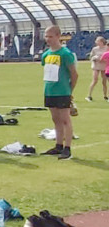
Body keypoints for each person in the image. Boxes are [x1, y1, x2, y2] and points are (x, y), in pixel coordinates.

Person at [40, 26, 78, 160]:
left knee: (65, 119)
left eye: (50, 36)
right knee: (55, 119)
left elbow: (74, 74)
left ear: (58, 36)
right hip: (50, 90)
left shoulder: (65, 53)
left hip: (62, 91)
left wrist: (69, 90)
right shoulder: (45, 54)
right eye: (46, 36)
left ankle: (67, 148)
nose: (48, 39)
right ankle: (58, 145)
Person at [86, 36, 108, 102]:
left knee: (104, 82)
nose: (96, 42)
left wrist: (102, 60)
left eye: (97, 41)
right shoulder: (95, 49)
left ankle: (105, 96)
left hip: (104, 67)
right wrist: (93, 58)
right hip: (96, 66)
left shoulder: (106, 48)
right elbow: (91, 56)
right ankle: (89, 95)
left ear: (101, 42)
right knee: (95, 80)